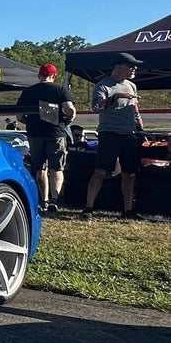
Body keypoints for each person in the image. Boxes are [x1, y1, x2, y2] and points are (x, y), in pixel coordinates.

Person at [82, 53, 144, 220]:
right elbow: (96, 107)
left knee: (129, 173)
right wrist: (116, 97)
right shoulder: (103, 86)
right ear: (118, 67)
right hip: (109, 133)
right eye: (131, 66)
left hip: (130, 134)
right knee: (101, 171)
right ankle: (88, 208)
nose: (134, 69)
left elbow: (135, 108)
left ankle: (127, 210)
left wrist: (141, 128)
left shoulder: (131, 85)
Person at [16, 63, 76, 214]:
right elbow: (70, 110)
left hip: (35, 133)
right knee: (57, 167)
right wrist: (67, 121)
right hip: (55, 132)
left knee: (40, 168)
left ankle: (44, 200)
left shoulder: (28, 92)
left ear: (39, 75)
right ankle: (54, 200)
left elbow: (19, 116)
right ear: (54, 76)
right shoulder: (60, 89)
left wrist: (31, 122)